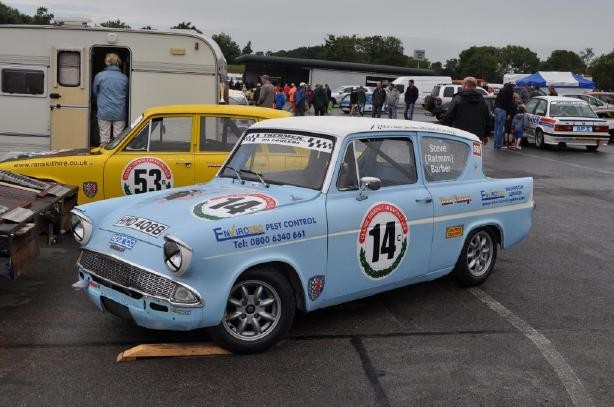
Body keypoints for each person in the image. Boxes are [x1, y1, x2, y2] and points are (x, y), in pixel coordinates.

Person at [92, 52, 128, 146]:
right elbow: (127, 94)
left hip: (104, 110)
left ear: (106, 62)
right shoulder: (124, 78)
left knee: (104, 139)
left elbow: (95, 93)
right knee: (118, 140)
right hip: (120, 111)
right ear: (118, 62)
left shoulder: (99, 76)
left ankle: (104, 158)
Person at [441, 77, 491, 143]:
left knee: (458, 153)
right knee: (474, 153)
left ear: (465, 85)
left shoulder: (458, 98)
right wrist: (486, 134)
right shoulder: (482, 100)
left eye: (463, 84)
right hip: (477, 137)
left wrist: (444, 132)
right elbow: (487, 118)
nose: (462, 86)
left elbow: (449, 116)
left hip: (460, 135)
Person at [493, 82, 515, 149]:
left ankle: (495, 144)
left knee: (496, 128)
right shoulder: (510, 91)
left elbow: (496, 100)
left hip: (496, 109)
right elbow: (509, 103)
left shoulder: (502, 90)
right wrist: (509, 113)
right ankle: (498, 145)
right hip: (502, 110)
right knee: (500, 128)